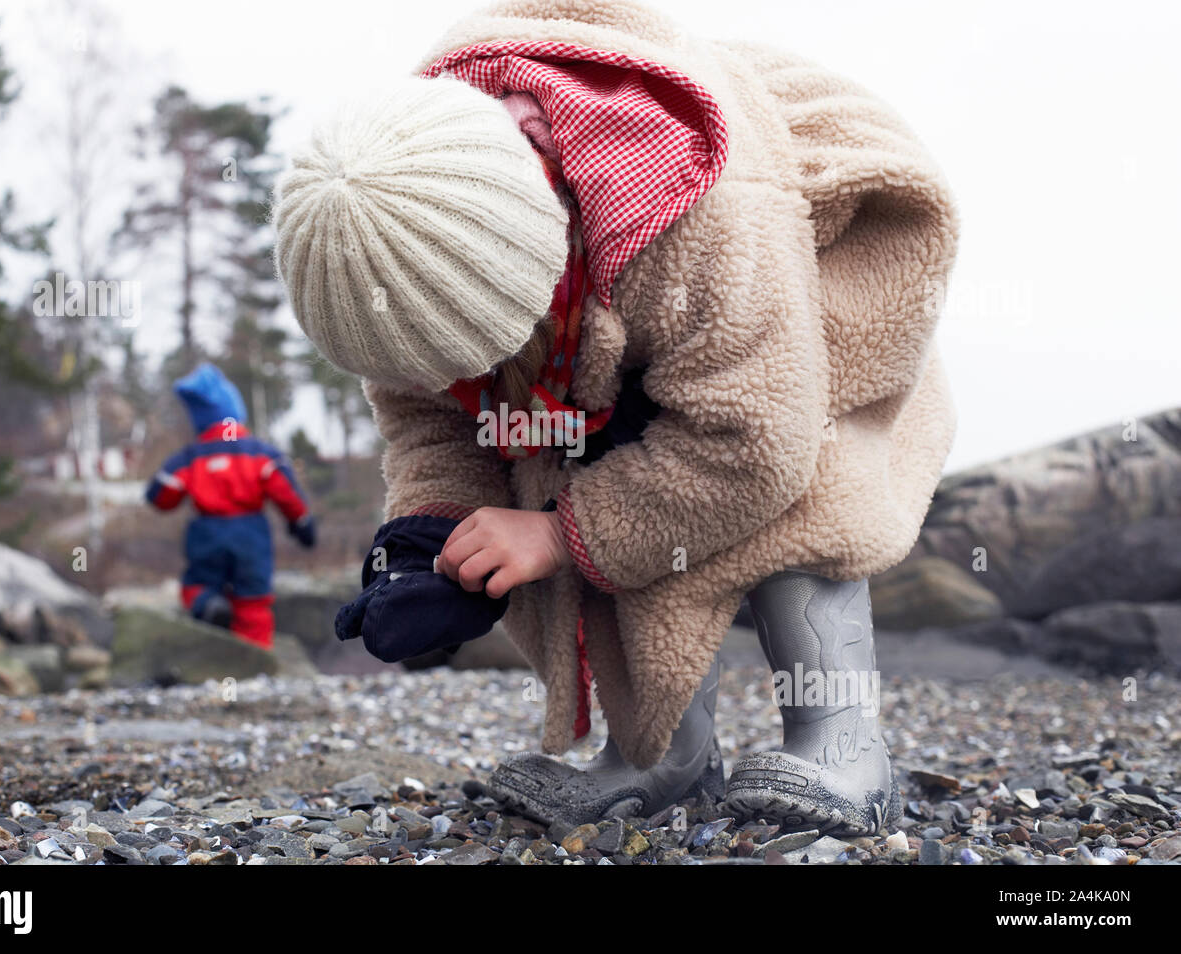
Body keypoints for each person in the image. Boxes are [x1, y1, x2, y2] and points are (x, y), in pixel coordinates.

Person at [273, 0, 958, 833]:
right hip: (610, 313)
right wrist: (428, 534)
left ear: (536, 264)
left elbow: (757, 445)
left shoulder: (699, 214)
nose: (456, 380)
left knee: (799, 486)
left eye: (476, 354)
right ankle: (663, 757)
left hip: (819, 290)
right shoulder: (396, 233)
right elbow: (435, 421)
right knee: (574, 461)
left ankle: (845, 746)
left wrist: (561, 536)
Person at [145, 363, 316, 650]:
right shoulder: (260, 453)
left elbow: (160, 495)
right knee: (253, 599)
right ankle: (255, 659)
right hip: (250, 535)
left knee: (196, 585)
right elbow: (287, 494)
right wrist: (302, 524)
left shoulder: (190, 457)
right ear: (234, 410)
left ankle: (208, 603)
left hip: (206, 532)